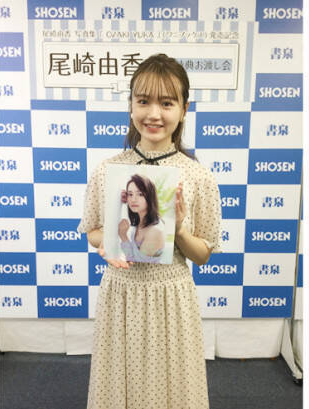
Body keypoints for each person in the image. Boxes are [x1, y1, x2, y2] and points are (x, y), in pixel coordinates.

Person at [77, 53, 222, 409]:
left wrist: (180, 229)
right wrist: (108, 242)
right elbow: (92, 231)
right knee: (119, 381)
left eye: (166, 103)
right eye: (143, 101)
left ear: (184, 109)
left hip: (171, 294)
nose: (154, 114)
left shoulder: (198, 176)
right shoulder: (108, 170)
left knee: (171, 384)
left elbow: (203, 255)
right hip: (120, 292)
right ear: (130, 106)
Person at [118, 174, 165, 263]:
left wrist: (123, 236)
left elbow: (136, 263)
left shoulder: (155, 231)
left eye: (140, 194)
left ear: (150, 197)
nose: (133, 199)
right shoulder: (140, 220)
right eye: (130, 194)